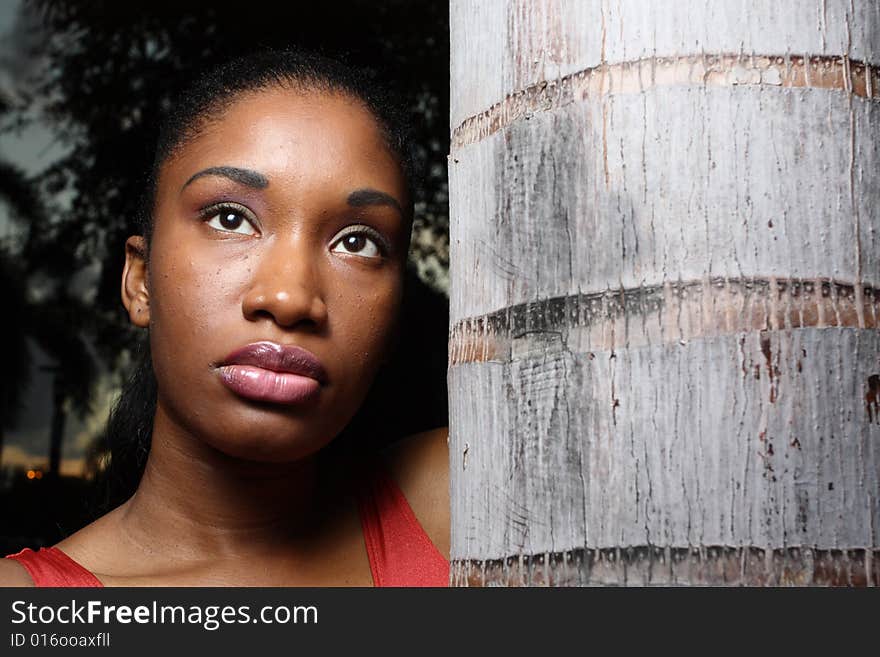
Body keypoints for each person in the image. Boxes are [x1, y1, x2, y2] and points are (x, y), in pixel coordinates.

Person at [1, 50, 450, 586]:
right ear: (140, 280)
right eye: (231, 219)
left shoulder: (463, 498)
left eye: (357, 241)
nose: (288, 298)